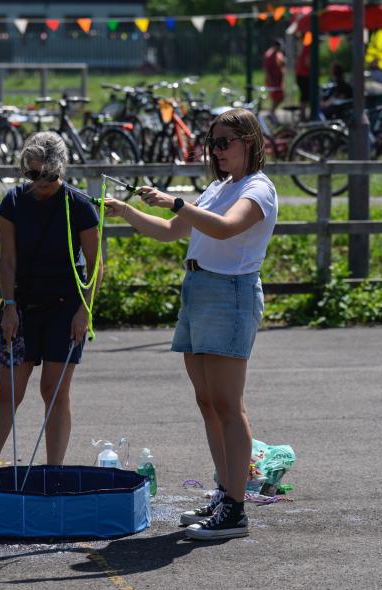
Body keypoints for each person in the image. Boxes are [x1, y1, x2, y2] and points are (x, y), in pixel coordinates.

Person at [103, 108, 277, 541]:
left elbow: (225, 229)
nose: (216, 151)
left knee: (228, 405)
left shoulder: (259, 188)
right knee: (208, 403)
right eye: (212, 143)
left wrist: (176, 201)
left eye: (225, 143)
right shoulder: (218, 186)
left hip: (230, 293)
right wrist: (126, 211)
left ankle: (235, 509)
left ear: (248, 143)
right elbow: (169, 231)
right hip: (199, 290)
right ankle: (225, 492)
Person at [0, 131, 104, 468]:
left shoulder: (78, 205)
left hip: (66, 308)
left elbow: (96, 265)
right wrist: (9, 306)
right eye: (32, 174)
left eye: (47, 175)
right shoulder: (14, 202)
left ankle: (54, 470)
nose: (40, 183)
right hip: (22, 306)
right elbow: (7, 260)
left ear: (60, 169)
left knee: (53, 390)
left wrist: (84, 311)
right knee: (8, 391)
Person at [263, 39, 286, 116]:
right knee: (278, 97)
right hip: (273, 81)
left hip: (278, 80)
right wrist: (269, 80)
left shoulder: (278, 53)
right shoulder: (269, 54)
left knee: (280, 97)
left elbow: (281, 65)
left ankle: (272, 112)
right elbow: (267, 69)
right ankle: (271, 112)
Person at [295, 42, 310, 121]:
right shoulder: (309, 47)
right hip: (304, 75)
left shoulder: (304, 47)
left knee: (304, 95)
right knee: (305, 95)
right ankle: (303, 114)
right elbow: (307, 62)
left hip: (300, 74)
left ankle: (302, 113)